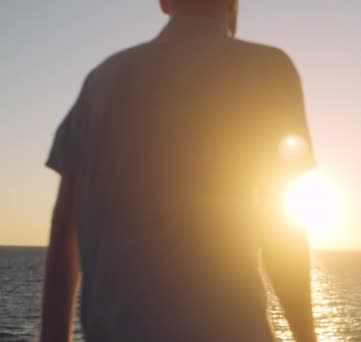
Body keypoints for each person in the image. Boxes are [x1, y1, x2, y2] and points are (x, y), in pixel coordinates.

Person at [39, 0, 318, 341]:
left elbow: (65, 223)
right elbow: (281, 230)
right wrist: (307, 337)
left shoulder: (102, 80)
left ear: (164, 2)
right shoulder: (268, 70)